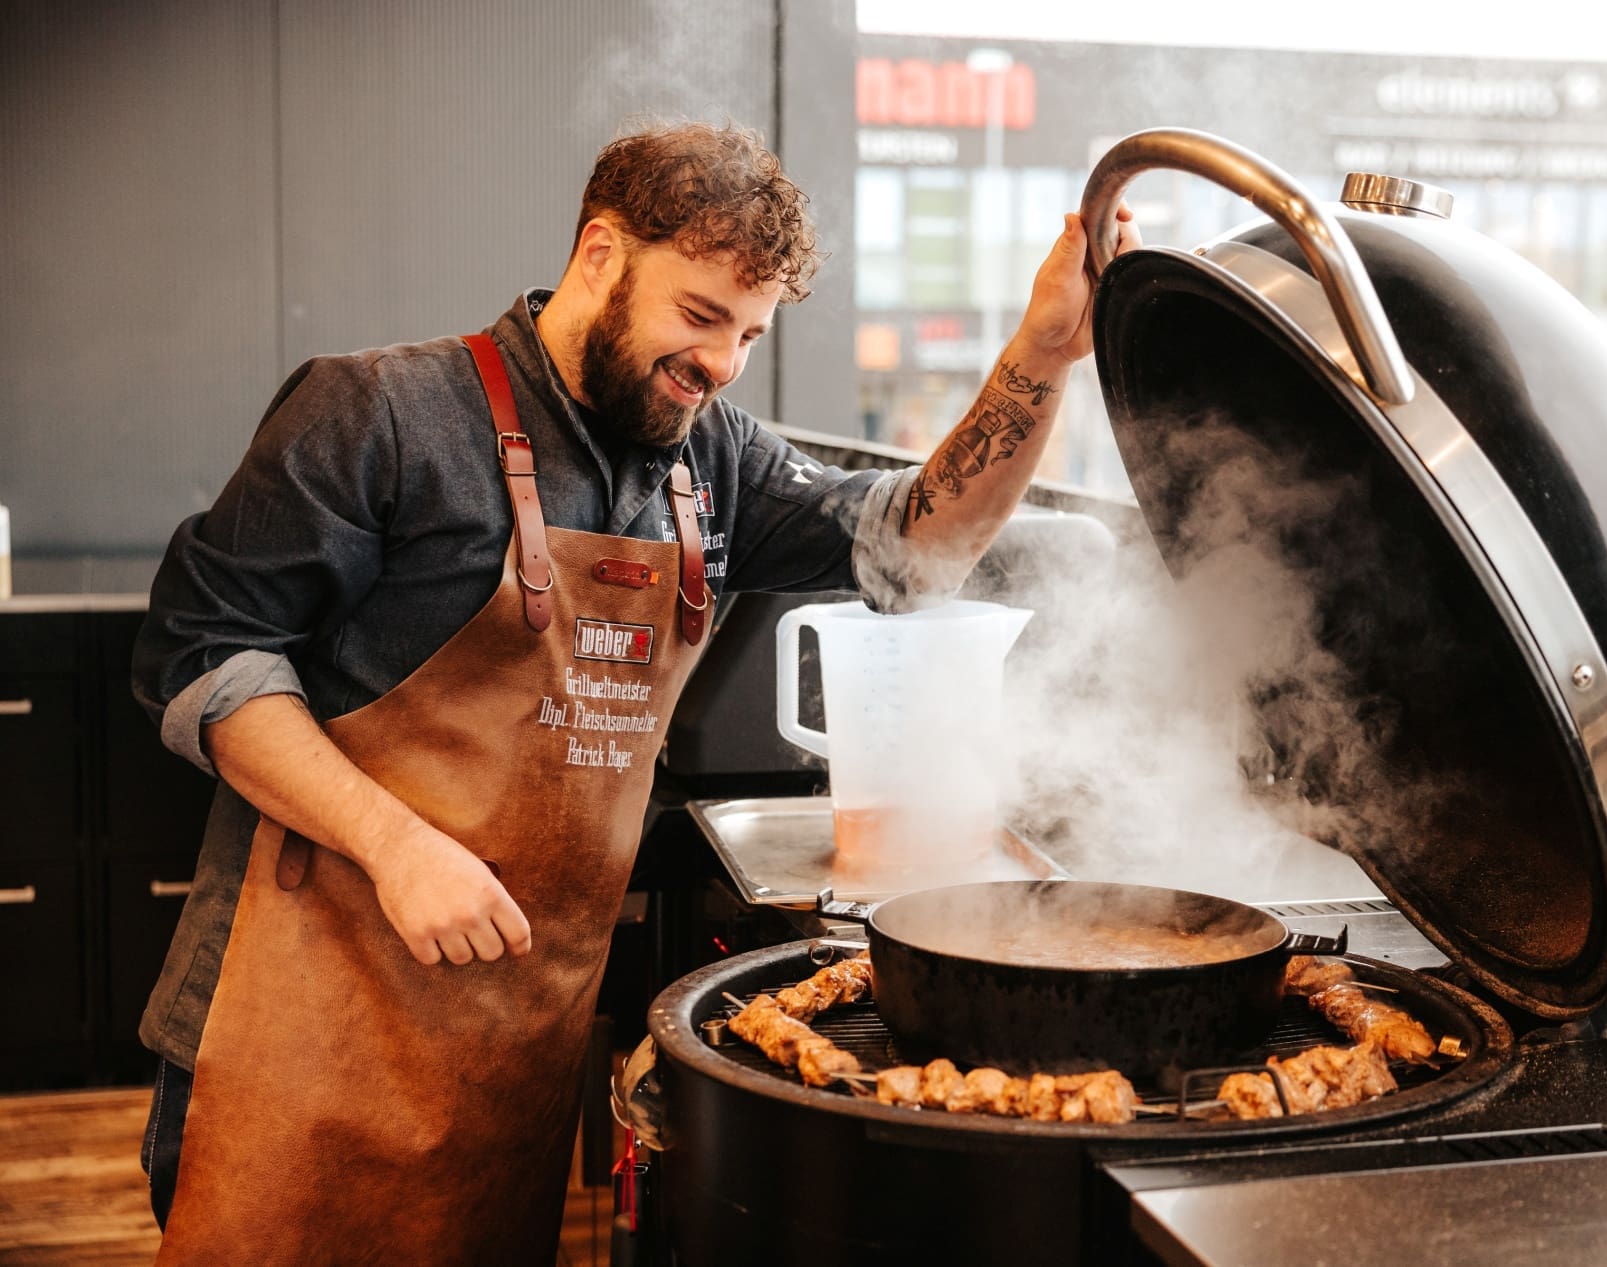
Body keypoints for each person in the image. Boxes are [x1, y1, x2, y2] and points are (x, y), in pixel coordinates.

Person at [130, 119, 1138, 1262]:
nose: (721, 363)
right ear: (601, 254)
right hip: (300, 1019)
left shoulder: (712, 462)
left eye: (748, 333)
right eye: (699, 315)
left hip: (514, 1040)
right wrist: (396, 845)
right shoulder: (379, 413)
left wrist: (1042, 354)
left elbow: (921, 541)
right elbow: (207, 659)